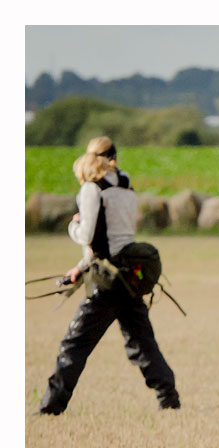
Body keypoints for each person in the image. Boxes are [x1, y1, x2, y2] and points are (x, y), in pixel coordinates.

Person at [37, 138, 181, 415]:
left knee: (75, 344)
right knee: (142, 343)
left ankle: (51, 407)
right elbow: (116, 238)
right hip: (129, 277)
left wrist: (73, 226)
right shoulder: (125, 186)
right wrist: (80, 267)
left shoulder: (92, 189)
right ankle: (169, 398)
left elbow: (88, 235)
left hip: (106, 283)